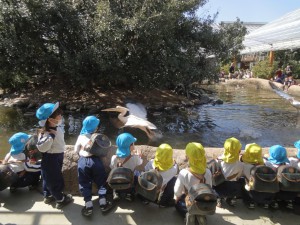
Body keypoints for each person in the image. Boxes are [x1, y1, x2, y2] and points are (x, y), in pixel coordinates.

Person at [74, 115, 114, 216]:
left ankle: (88, 206)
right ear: (95, 127)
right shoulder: (98, 136)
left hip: (83, 162)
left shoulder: (81, 136)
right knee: (101, 182)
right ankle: (103, 204)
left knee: (84, 183)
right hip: (96, 161)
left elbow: (76, 150)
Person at [36, 102, 73, 209]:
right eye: (59, 115)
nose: (61, 116)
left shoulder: (56, 126)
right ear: (50, 119)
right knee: (53, 179)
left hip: (57, 155)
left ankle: (47, 195)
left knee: (48, 177)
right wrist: (51, 136)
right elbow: (42, 147)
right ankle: (60, 199)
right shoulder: (46, 133)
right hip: (51, 158)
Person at [174, 142, 212, 225]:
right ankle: (201, 214)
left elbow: (177, 191)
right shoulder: (208, 172)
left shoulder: (184, 173)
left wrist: (177, 198)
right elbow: (210, 188)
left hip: (189, 202)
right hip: (203, 202)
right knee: (201, 206)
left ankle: (188, 214)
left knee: (178, 204)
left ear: (188, 157)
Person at [240, 143, 277, 209]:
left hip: (253, 193)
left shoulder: (245, 166)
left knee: (242, 180)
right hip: (267, 192)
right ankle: (265, 203)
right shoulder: (267, 164)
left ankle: (250, 202)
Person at [110, 132, 143, 202]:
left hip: (116, 181)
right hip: (129, 182)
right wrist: (139, 155)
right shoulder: (135, 158)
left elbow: (111, 167)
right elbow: (141, 162)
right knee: (137, 173)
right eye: (133, 144)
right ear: (130, 146)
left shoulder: (114, 158)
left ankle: (116, 192)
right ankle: (129, 194)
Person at [264, 145, 297, 210]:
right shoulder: (290, 164)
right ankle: (289, 201)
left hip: (275, 191)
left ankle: (273, 201)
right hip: (289, 191)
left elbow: (264, 160)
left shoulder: (268, 164)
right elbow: (293, 160)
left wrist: (266, 156)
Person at [214, 137, 244, 207]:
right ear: (238, 151)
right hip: (233, 190)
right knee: (239, 181)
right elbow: (238, 177)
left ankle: (218, 198)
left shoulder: (218, 161)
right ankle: (230, 199)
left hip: (219, 189)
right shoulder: (240, 164)